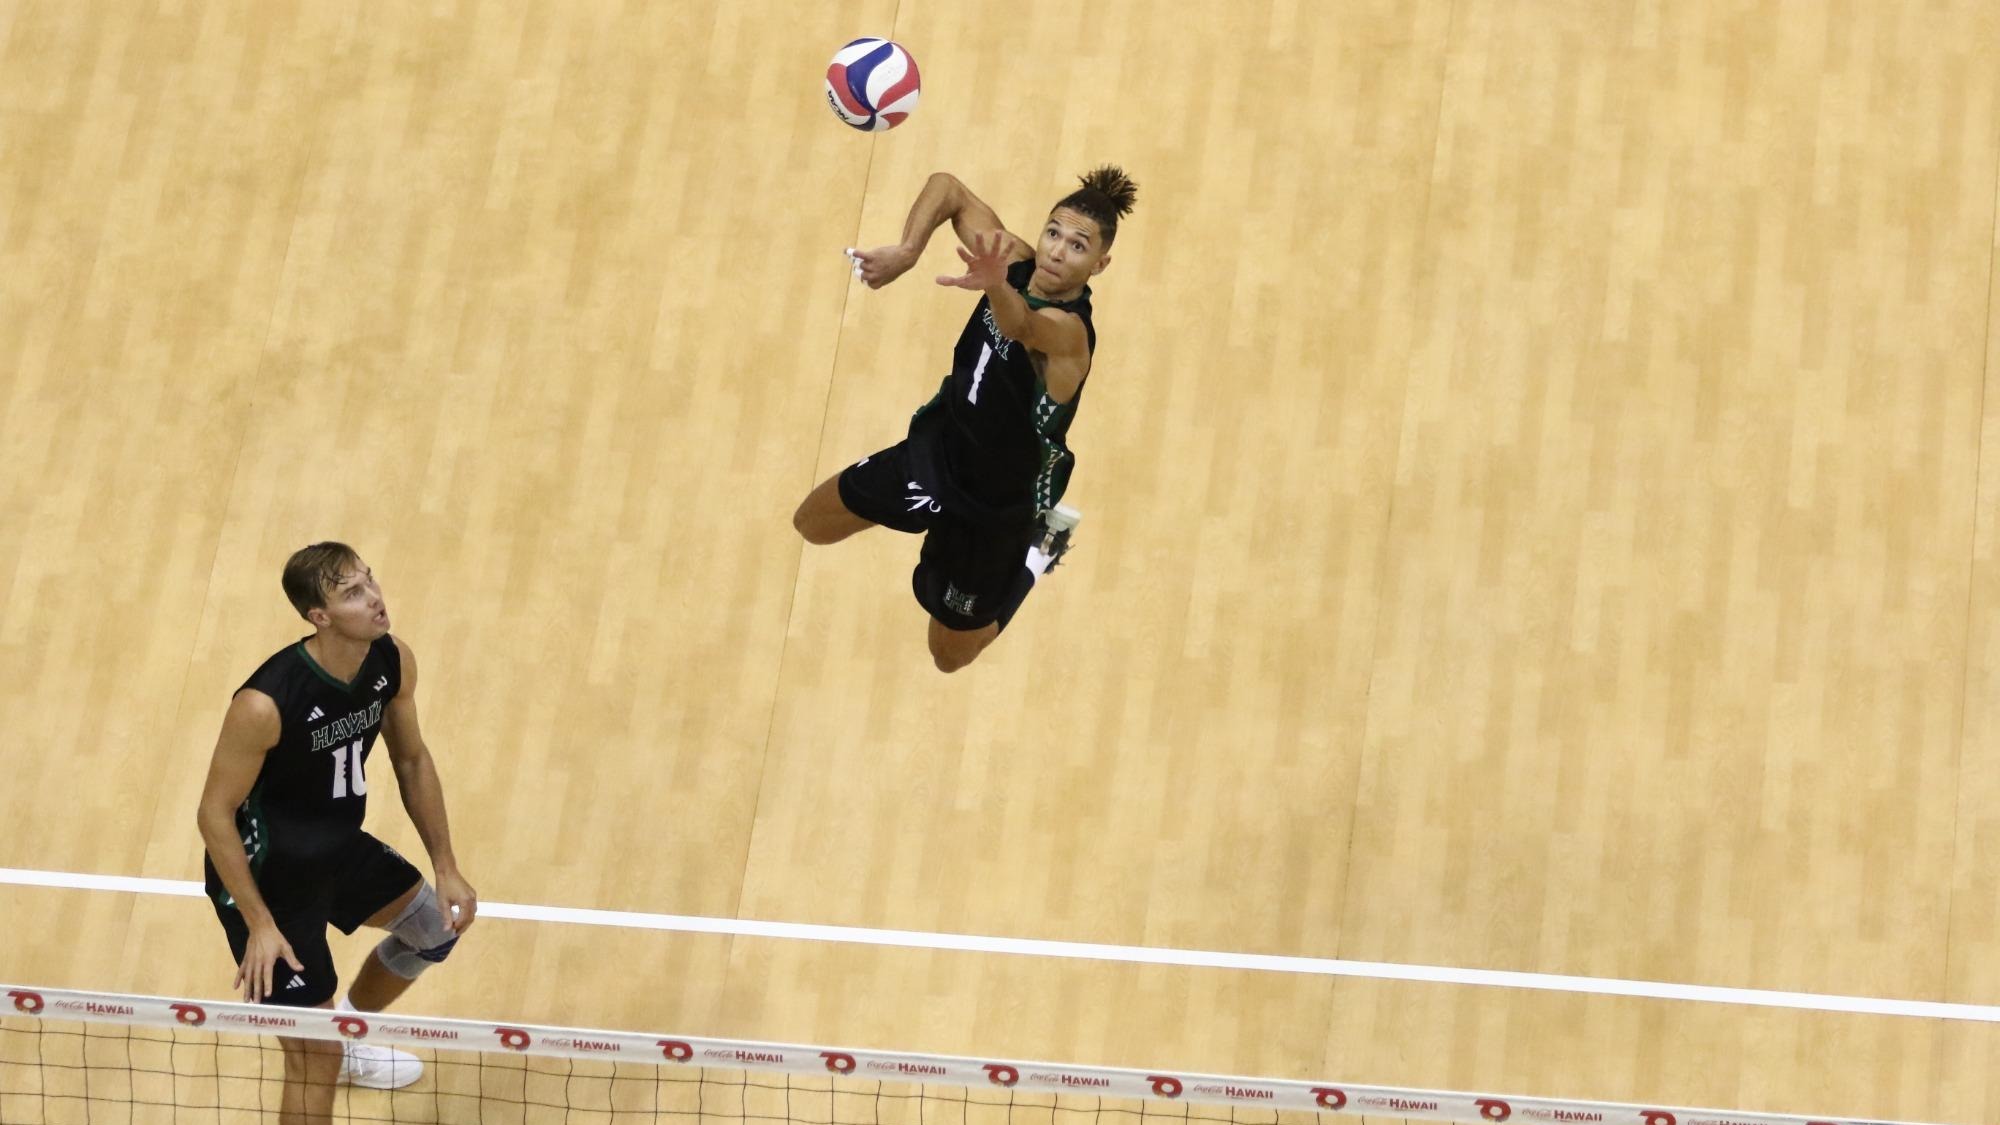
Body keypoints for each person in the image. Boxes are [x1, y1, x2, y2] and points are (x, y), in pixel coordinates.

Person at [793, 166, 1138, 672]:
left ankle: (1039, 551)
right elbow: (946, 188)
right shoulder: (1014, 263)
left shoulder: (1070, 336)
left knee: (948, 655)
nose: (1057, 252)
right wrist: (908, 251)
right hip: (938, 454)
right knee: (812, 524)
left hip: (995, 508)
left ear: (1100, 264)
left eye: (1078, 246)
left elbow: (1021, 324)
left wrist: (995, 285)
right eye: (1053, 233)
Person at [195, 542, 477, 1123]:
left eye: (369, 581)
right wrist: (260, 925)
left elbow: (411, 761)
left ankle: (345, 1034)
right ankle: (330, 1046)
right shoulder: (264, 703)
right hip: (267, 879)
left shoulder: (390, 659)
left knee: (433, 930)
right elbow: (213, 815)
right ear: (317, 617)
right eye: (352, 593)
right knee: (310, 1059)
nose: (374, 598)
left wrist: (446, 865)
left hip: (335, 846)